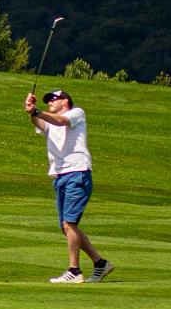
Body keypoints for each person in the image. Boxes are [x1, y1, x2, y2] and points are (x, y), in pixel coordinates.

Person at [25, 87, 113, 284]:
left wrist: (37, 111)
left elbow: (60, 121)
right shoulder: (49, 120)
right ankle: (100, 263)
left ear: (64, 101)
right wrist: (32, 111)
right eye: (47, 100)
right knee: (66, 226)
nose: (49, 102)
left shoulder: (76, 113)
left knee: (69, 224)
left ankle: (74, 271)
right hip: (60, 175)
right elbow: (40, 123)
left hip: (77, 171)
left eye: (53, 99)